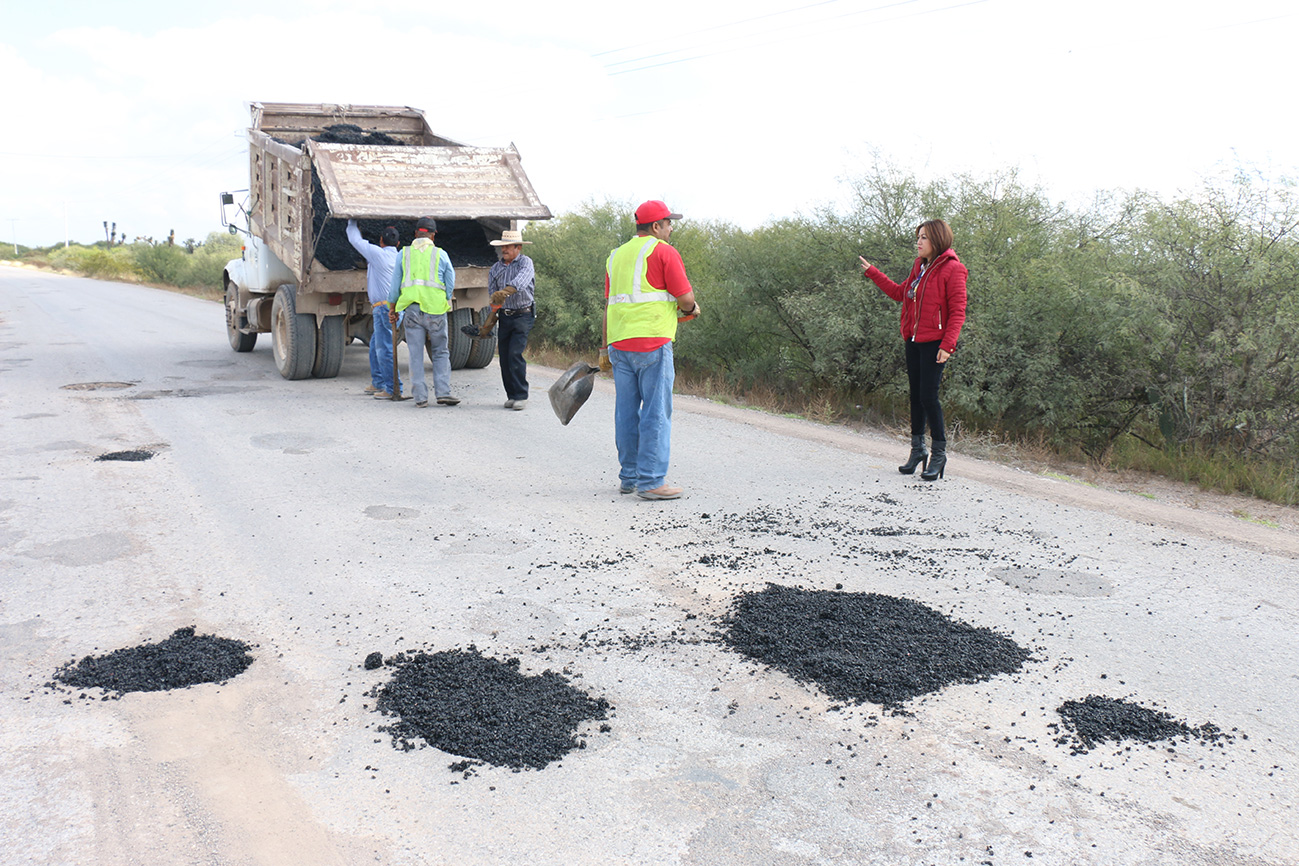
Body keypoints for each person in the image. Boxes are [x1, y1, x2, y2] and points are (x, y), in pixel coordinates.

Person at [602, 200, 699, 501]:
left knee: (626, 413)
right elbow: (685, 298)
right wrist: (692, 308)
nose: (671, 228)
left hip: (619, 344)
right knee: (656, 412)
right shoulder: (663, 251)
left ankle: (629, 477)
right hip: (653, 343)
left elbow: (609, 305)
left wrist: (603, 348)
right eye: (669, 223)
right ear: (656, 226)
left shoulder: (615, 257)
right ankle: (652, 481)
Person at [859, 219, 968, 480]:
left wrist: (948, 346)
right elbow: (900, 293)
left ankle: (939, 454)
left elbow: (958, 311)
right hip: (914, 340)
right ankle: (918, 450)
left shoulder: (954, 270)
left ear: (938, 241)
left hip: (936, 343)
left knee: (929, 397)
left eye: (924, 238)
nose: (918, 242)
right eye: (918, 237)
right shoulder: (919, 266)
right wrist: (874, 272)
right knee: (916, 397)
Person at [387, 217, 460, 407]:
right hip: (435, 309)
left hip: (411, 310)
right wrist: (445, 298)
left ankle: (420, 397)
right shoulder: (440, 254)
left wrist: (392, 308)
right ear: (433, 235)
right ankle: (443, 392)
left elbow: (395, 285)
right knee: (440, 352)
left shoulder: (404, 254)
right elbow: (450, 279)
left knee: (415, 353)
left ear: (415, 234)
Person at [346, 219, 401, 398]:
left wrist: (351, 221)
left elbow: (355, 240)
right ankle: (378, 382)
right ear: (398, 243)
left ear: (381, 241)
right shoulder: (400, 257)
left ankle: (393, 388)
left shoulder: (378, 254)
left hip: (385, 309)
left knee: (384, 348)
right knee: (376, 346)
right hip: (395, 307)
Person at [487, 229, 536, 410]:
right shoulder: (496, 269)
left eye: (508, 246)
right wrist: (491, 317)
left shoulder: (525, 263)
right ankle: (512, 395)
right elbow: (492, 294)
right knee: (505, 357)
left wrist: (505, 292)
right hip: (505, 316)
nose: (504, 250)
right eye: (503, 246)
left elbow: (521, 282)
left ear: (518, 247)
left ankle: (521, 395)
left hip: (523, 314)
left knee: (515, 354)